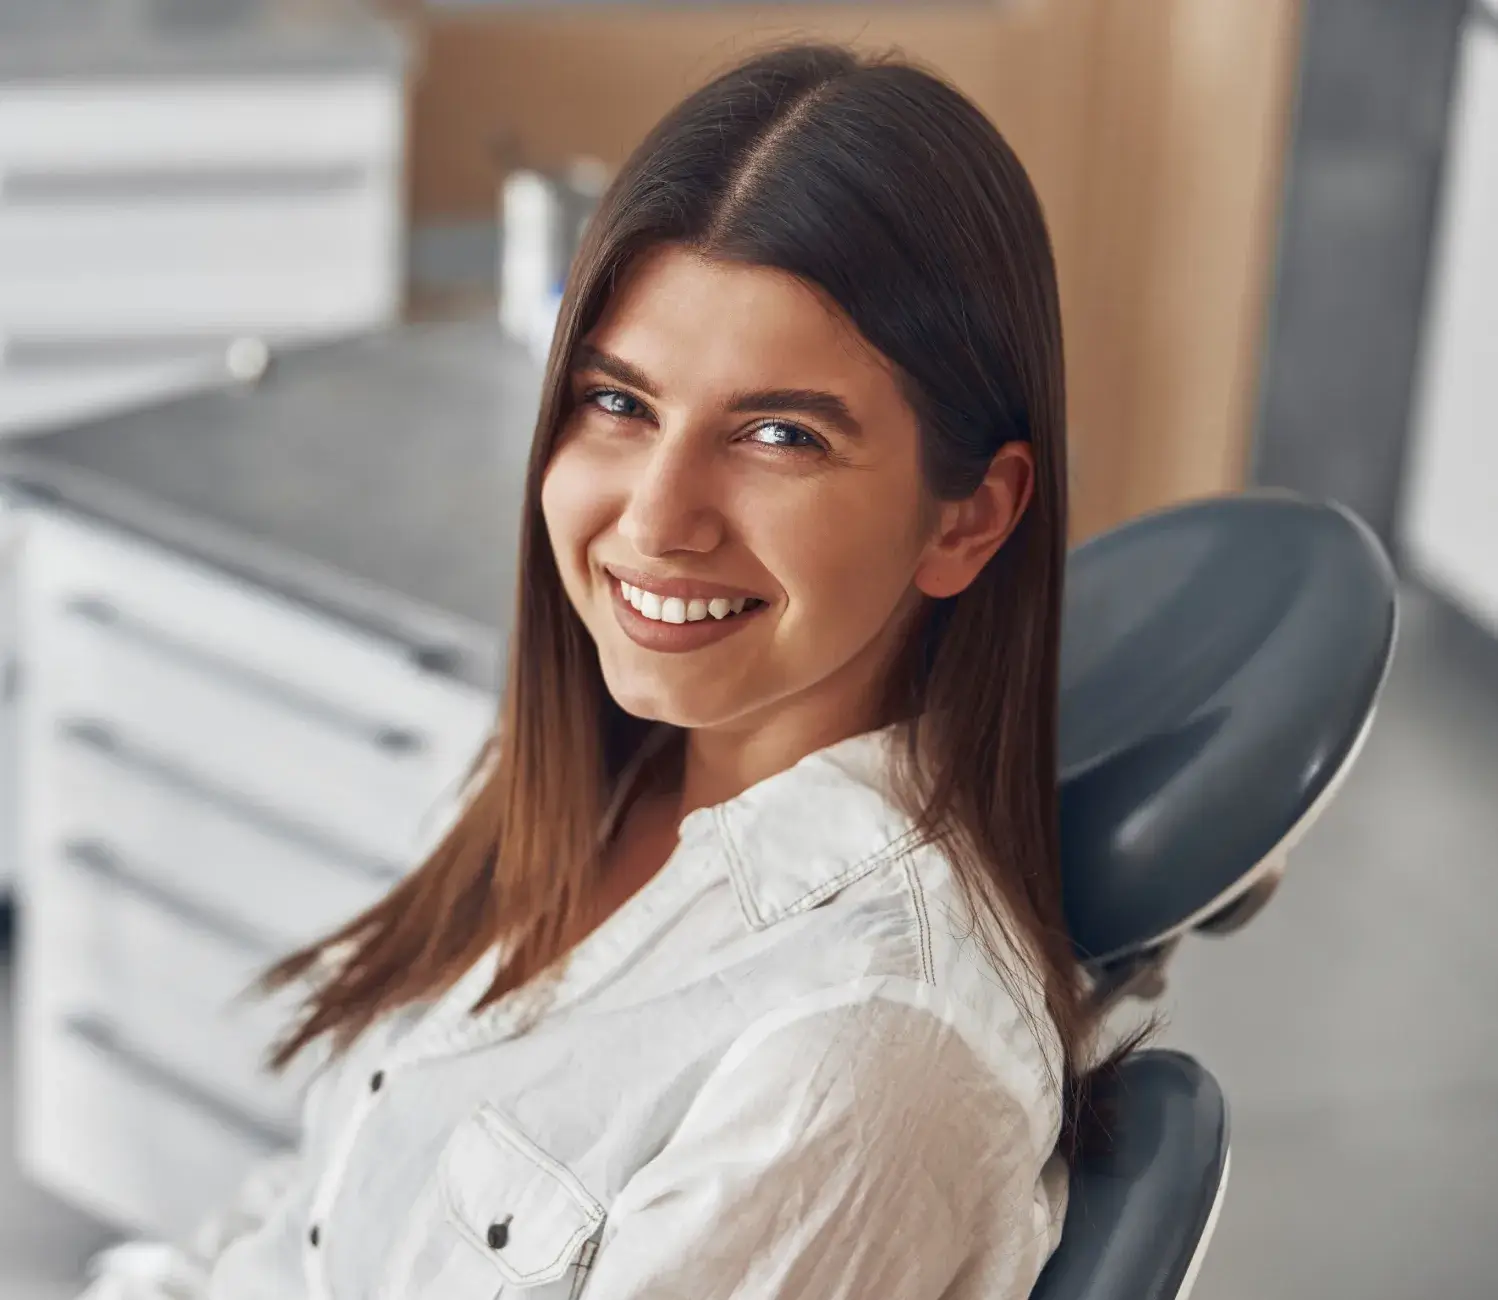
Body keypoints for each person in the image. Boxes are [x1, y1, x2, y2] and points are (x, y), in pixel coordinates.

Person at [83, 41, 1131, 1300]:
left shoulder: (862, 1060)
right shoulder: (577, 779)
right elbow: (306, 1216)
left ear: (967, 517)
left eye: (778, 433)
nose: (654, 521)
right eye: (619, 403)